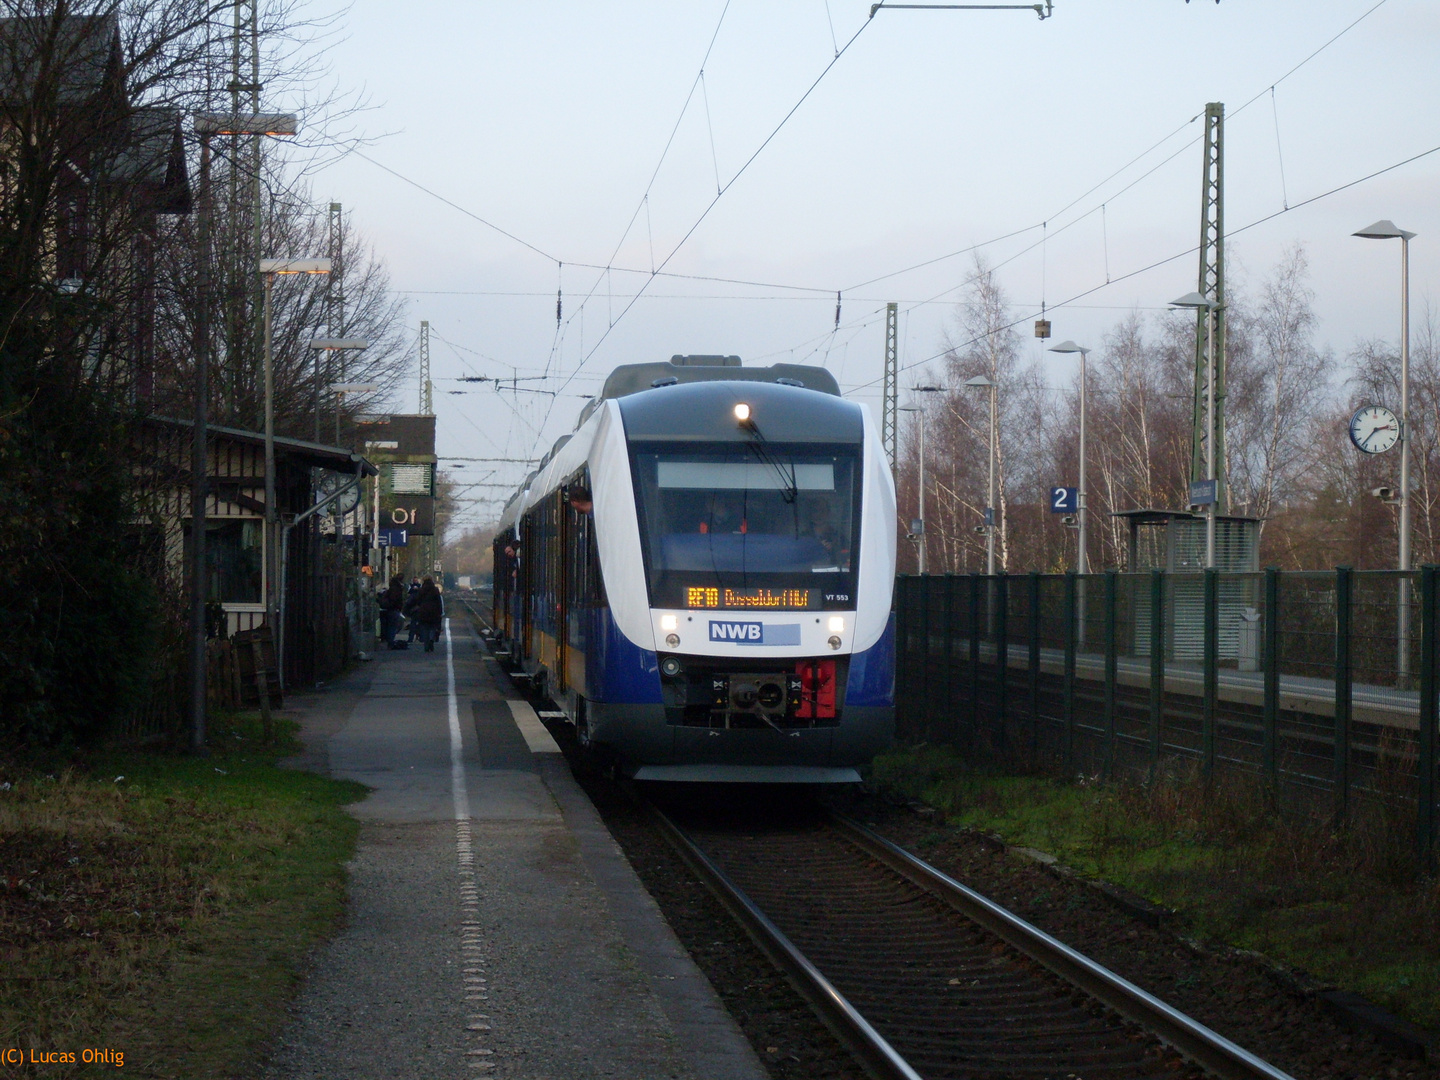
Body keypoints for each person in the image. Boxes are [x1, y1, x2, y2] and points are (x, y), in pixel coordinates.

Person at [412, 576, 444, 652]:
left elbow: (418, 601)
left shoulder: (421, 590)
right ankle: (431, 639)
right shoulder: (435, 590)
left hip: (423, 612)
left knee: (425, 628)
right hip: (434, 612)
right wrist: (440, 612)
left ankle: (426, 644)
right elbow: (438, 602)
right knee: (432, 627)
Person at [378, 574, 405, 648]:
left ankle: (388, 641)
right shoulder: (397, 589)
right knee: (392, 626)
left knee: (389, 626)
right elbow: (395, 599)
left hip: (389, 609)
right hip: (394, 609)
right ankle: (390, 642)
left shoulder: (391, 588)